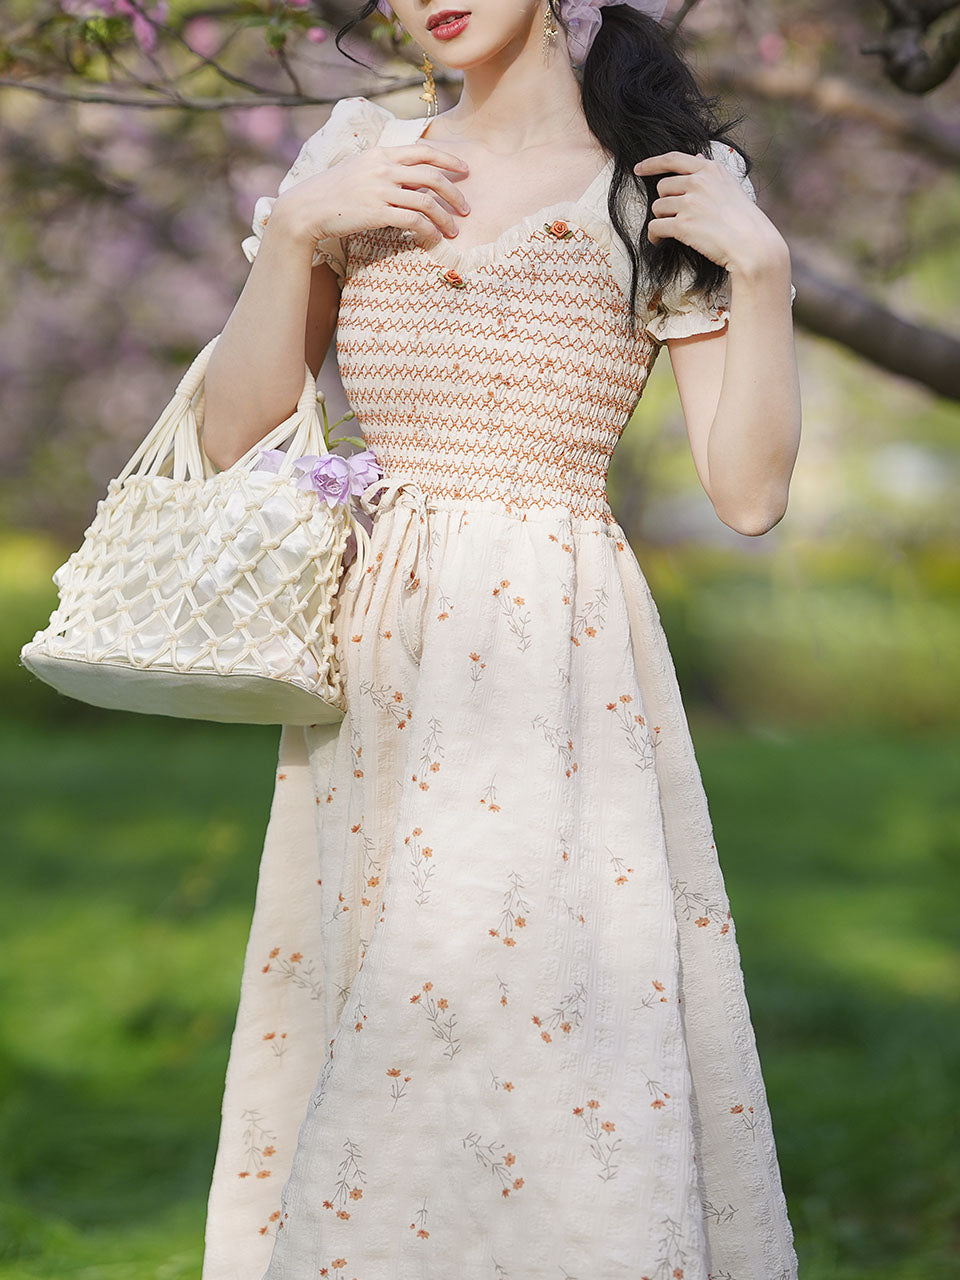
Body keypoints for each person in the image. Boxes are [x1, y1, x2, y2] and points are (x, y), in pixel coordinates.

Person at [198, 0, 802, 1275]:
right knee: (374, 998)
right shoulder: (357, 150)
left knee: (541, 1008)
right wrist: (298, 233)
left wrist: (765, 271)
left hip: (553, 651)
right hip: (374, 640)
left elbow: (748, 495)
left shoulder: (656, 179)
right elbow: (231, 435)